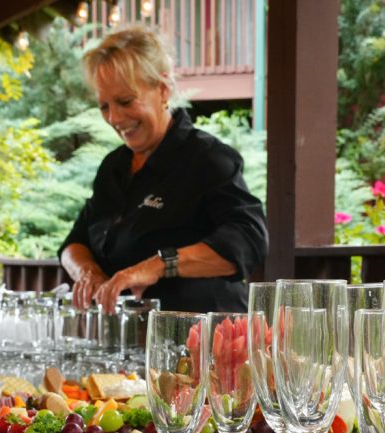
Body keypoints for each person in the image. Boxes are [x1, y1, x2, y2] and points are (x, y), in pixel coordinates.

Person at [59, 25, 268, 314]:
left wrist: (158, 265)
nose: (114, 118)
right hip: (129, 343)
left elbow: (249, 240)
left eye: (125, 101)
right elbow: (75, 244)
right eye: (104, 106)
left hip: (202, 341)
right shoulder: (113, 167)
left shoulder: (206, 158)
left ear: (163, 89)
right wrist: (87, 272)